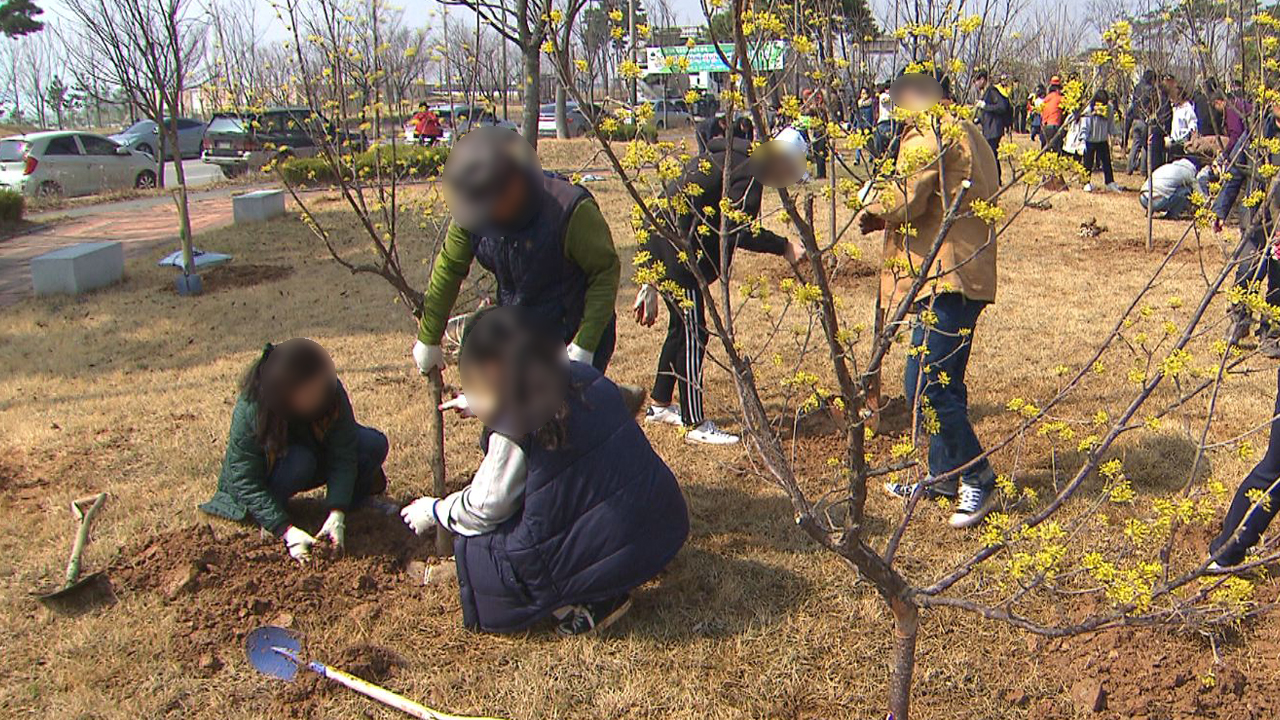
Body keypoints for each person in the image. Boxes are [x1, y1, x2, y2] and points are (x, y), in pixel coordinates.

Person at [400, 306, 689, 635]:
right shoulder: (577, 373)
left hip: (618, 547)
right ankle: (626, 567)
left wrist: (435, 510)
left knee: (478, 550)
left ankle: (590, 603)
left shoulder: (519, 423)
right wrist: (482, 402)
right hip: (661, 522)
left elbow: (486, 507)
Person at [860, 73, 1001, 529]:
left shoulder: (929, 131)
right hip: (963, 272)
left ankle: (978, 476)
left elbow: (905, 201)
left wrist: (868, 202)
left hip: (944, 275)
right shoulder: (969, 129)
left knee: (927, 384)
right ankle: (943, 476)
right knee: (944, 383)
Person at [633, 119, 807, 446]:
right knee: (694, 331)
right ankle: (695, 421)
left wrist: (650, 273)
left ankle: (659, 404)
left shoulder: (729, 155)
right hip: (679, 249)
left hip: (661, 238)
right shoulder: (751, 171)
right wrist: (784, 246)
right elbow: (738, 229)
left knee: (682, 326)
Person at [412, 127, 620, 390]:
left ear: (515, 183)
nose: (486, 210)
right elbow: (450, 268)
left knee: (560, 421)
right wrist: (429, 337)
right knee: (512, 418)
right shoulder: (474, 211)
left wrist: (584, 345)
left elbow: (604, 272)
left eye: (493, 199)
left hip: (573, 329)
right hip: (521, 332)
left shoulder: (570, 211)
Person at [200, 339, 391, 563]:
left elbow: (344, 452)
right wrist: (285, 530)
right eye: (312, 392)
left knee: (372, 444)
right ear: (289, 393)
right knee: (301, 461)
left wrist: (337, 511)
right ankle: (274, 514)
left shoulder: (329, 392)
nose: (322, 394)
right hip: (279, 470)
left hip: (311, 452)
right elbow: (245, 480)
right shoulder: (253, 408)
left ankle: (354, 503)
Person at [973, 69, 1012, 183]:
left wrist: (985, 106)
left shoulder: (992, 91)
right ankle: (994, 179)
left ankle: (996, 180)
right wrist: (978, 119)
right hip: (988, 128)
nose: (975, 84)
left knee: (991, 154)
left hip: (994, 129)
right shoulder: (986, 92)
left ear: (983, 80)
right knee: (990, 154)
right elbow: (987, 112)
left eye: (976, 81)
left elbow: (1001, 107)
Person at [1081, 89, 1121, 193]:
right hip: (1090, 140)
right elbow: (1085, 125)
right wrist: (1082, 139)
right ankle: (1085, 182)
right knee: (1087, 163)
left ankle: (1109, 182)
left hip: (1102, 140)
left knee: (1106, 162)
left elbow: (1111, 124)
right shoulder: (1089, 109)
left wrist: (1115, 135)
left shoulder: (1109, 109)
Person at [1126, 70, 1160, 175]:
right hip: (1145, 120)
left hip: (1135, 119)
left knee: (1135, 144)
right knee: (1145, 145)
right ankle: (1144, 169)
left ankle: (1129, 168)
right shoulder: (1152, 90)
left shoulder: (1137, 88)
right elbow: (1155, 105)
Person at [1041, 75, 1065, 153]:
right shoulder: (1060, 98)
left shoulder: (1046, 98)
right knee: (1055, 151)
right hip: (1054, 127)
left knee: (1045, 151)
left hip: (1044, 127)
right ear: (1058, 89)